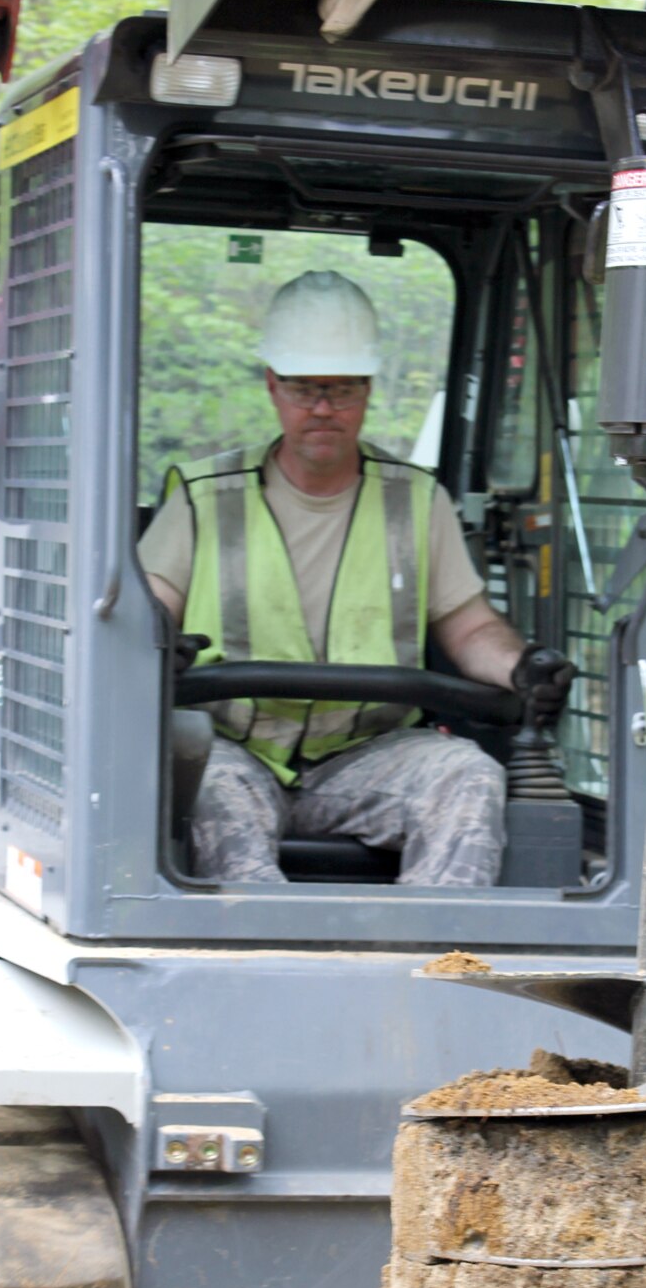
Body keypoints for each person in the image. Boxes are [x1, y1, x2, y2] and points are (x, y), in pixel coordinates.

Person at [140, 269, 573, 886]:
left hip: (369, 756)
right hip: (234, 750)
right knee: (207, 787)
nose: (322, 406)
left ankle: (431, 966)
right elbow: (152, 603)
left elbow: (470, 624)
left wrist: (520, 666)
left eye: (341, 389)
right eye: (303, 387)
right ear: (272, 386)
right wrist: (155, 639)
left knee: (469, 776)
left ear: (368, 390)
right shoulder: (203, 497)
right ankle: (269, 964)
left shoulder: (416, 501)